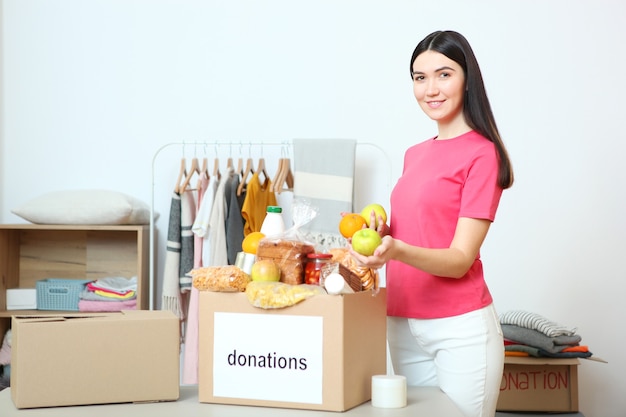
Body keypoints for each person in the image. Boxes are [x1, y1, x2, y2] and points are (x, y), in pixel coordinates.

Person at [350, 30, 514, 417]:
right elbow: (420, 230)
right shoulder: (414, 154)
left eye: (444, 74)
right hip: (402, 321)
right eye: (419, 77)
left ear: (467, 79)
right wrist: (383, 232)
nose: (430, 89)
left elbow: (459, 259)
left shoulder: (482, 154)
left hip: (460, 329)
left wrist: (398, 250)